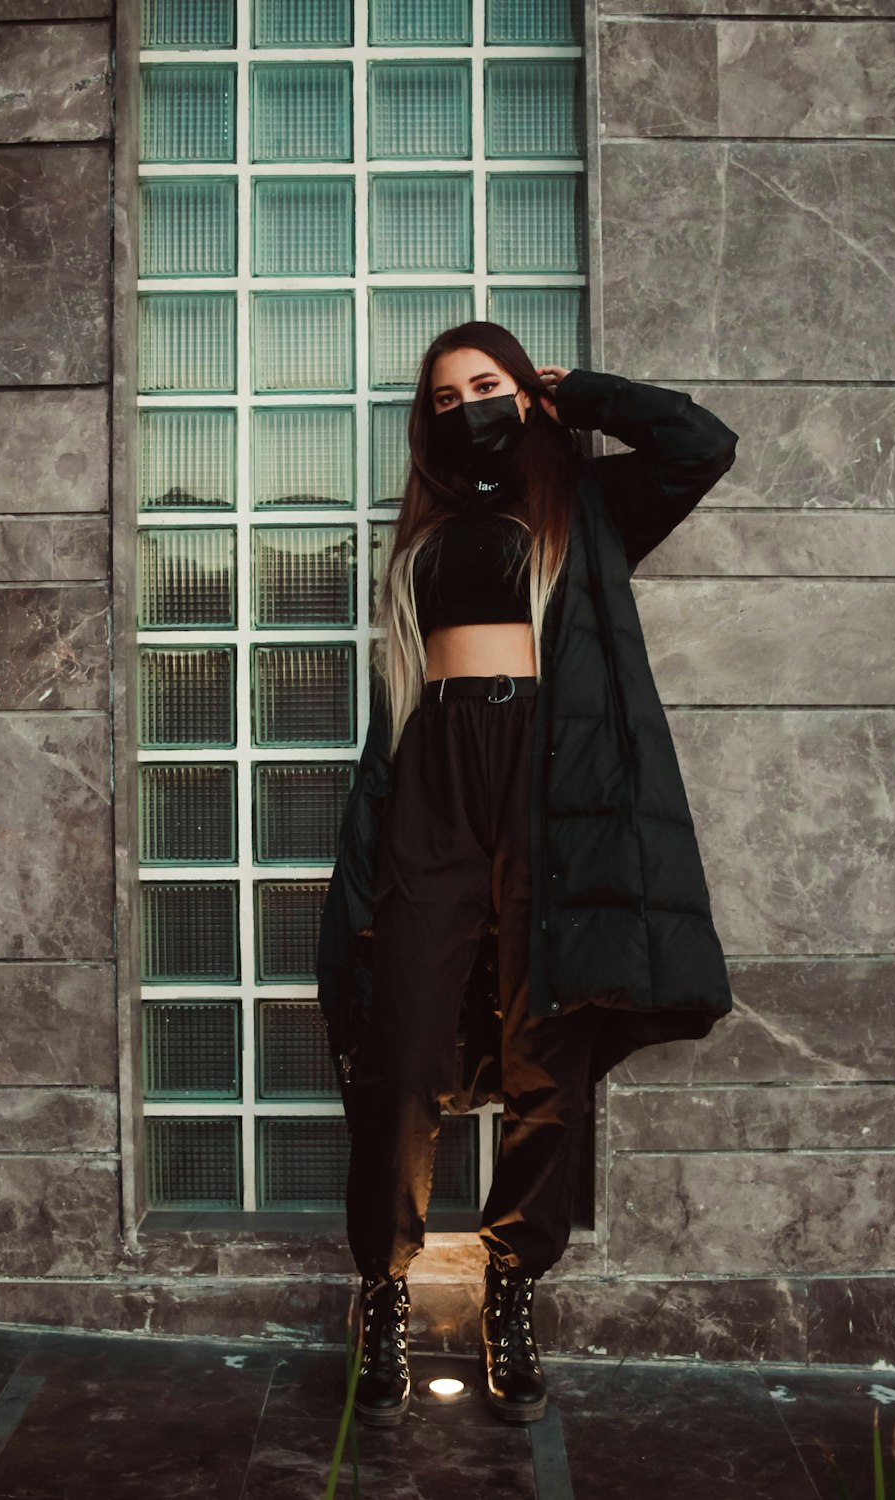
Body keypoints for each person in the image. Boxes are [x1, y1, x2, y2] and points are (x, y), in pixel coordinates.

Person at [315, 320, 739, 1426]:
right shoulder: (424, 527)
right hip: (435, 777)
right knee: (401, 1050)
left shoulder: (587, 509)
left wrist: (580, 393)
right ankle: (382, 1290)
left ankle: (512, 1285)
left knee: (544, 1057)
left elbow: (701, 444)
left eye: (486, 384)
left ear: (525, 392)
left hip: (551, 788)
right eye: (445, 396)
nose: (467, 407)